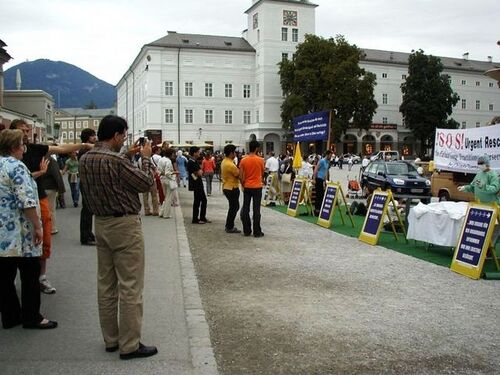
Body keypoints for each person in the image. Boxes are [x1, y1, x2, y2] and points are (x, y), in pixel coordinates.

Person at [79, 115, 157, 359]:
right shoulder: (117, 161)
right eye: (123, 135)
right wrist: (144, 158)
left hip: (100, 223)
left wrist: (128, 155)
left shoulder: (86, 159)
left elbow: (111, 171)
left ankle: (111, 339)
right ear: (116, 136)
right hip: (124, 224)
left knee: (106, 285)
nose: (124, 140)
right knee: (130, 286)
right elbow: (145, 183)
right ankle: (130, 344)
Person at [10, 119, 92, 294]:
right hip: (14, 205)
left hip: (38, 198)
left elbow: (61, 149)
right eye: (21, 131)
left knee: (44, 239)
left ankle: (41, 277)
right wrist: (38, 173)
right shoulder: (8, 157)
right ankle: (15, 281)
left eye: (27, 130)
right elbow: (14, 178)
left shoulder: (35, 149)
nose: (25, 134)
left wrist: (84, 145)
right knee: (15, 241)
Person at [0, 129, 57, 329]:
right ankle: (32, 316)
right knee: (30, 274)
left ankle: (10, 315)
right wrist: (37, 225)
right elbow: (26, 200)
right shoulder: (18, 167)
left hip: (2, 233)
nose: (24, 149)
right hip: (21, 232)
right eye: (22, 145)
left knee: (5, 277)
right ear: (16, 147)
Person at [239, 140, 265, 237]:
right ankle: (257, 231)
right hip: (257, 186)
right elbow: (262, 173)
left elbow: (241, 176)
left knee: (246, 208)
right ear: (257, 148)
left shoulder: (243, 160)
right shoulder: (261, 160)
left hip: (247, 186)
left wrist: (243, 183)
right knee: (256, 210)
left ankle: (247, 230)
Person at [78, 128, 97, 246]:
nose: (94, 137)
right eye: (92, 136)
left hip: (87, 182)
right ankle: (86, 236)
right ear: (87, 138)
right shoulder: (85, 150)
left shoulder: (86, 149)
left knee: (88, 210)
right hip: (86, 182)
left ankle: (88, 234)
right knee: (87, 210)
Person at [41, 155, 65, 235]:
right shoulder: (51, 160)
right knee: (51, 209)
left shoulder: (37, 159)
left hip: (40, 187)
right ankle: (52, 228)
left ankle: (43, 227)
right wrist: (61, 188)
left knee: (42, 208)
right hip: (50, 187)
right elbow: (56, 174)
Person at [221, 144, 241, 233]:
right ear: (231, 153)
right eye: (234, 152)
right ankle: (229, 226)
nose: (235, 154)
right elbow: (238, 174)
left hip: (226, 186)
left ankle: (229, 225)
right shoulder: (230, 164)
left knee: (233, 206)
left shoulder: (224, 161)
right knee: (234, 207)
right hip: (232, 187)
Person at [187, 147, 210, 224]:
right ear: (194, 153)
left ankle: (202, 217)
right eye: (198, 152)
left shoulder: (194, 161)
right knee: (198, 201)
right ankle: (196, 218)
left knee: (203, 200)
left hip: (198, 183)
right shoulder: (191, 162)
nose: (199, 153)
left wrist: (199, 171)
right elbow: (199, 173)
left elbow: (200, 172)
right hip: (196, 184)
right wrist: (199, 171)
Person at [157, 148, 178, 219]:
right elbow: (168, 173)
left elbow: (158, 170)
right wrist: (175, 173)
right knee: (169, 198)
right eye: (173, 153)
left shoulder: (161, 159)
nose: (174, 155)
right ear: (171, 154)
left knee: (166, 197)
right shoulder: (168, 161)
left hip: (162, 179)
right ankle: (166, 214)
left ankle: (162, 212)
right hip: (168, 180)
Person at [312, 150, 332, 216]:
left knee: (322, 195)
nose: (331, 157)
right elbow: (316, 169)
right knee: (319, 194)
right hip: (318, 178)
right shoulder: (322, 161)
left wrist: (326, 180)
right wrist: (314, 179)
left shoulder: (327, 162)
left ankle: (320, 209)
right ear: (327, 155)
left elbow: (326, 171)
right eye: (330, 155)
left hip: (323, 179)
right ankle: (316, 210)